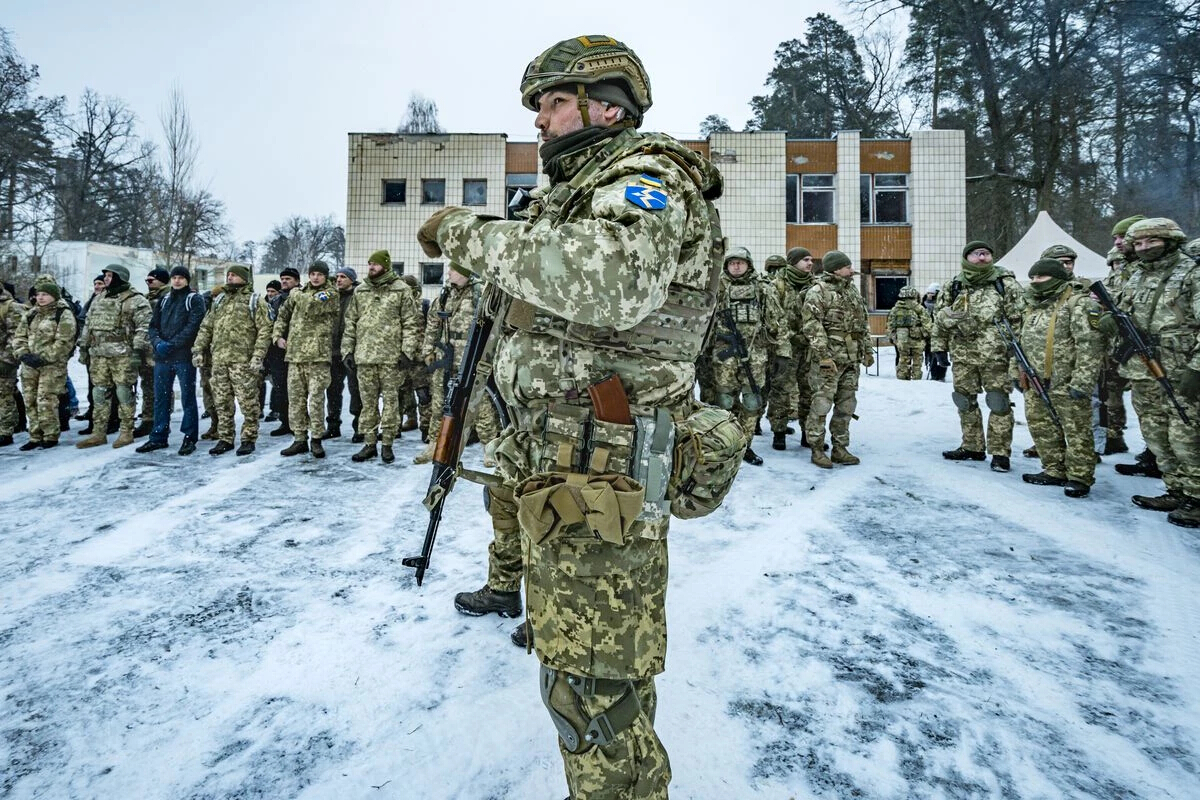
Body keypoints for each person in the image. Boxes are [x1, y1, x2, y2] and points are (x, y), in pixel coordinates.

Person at [416, 34, 724, 798]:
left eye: (553, 104)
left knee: (595, 688)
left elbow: (609, 282)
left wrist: (467, 232)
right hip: (564, 461)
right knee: (578, 666)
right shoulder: (577, 192)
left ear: (605, 105)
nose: (541, 123)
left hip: (604, 472)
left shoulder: (645, 177)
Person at [1106, 218, 1200, 527]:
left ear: (1170, 241)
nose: (1145, 248)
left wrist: (1196, 368)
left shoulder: (1191, 273)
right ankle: (1176, 489)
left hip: (1180, 367)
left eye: (1152, 242)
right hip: (1142, 366)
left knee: (1185, 433)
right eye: (1140, 243)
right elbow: (1120, 309)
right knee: (1155, 432)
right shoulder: (1135, 275)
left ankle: (1196, 496)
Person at [931, 241, 1025, 472]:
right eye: (977, 254)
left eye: (987, 253)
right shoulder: (954, 285)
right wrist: (938, 348)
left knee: (999, 403)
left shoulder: (1006, 284)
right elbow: (939, 320)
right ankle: (972, 446)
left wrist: (1017, 355)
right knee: (964, 402)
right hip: (963, 355)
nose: (982, 258)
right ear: (966, 258)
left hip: (997, 356)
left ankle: (1000, 453)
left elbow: (1020, 320)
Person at [1017, 259, 1104, 497]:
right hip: (1036, 380)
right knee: (1041, 425)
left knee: (1076, 430)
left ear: (1056, 278)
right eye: (1033, 278)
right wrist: (1019, 373)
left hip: (1067, 382)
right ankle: (1054, 469)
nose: (1035, 282)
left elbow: (1090, 346)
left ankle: (1079, 476)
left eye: (1041, 277)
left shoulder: (1077, 304)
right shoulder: (1034, 305)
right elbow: (1023, 343)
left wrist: (1082, 382)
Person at [707, 246, 788, 466]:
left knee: (753, 401)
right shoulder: (717, 287)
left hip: (755, 356)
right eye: (732, 262)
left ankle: (745, 445)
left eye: (740, 262)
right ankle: (725, 442)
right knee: (724, 400)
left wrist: (783, 353)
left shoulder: (763, 289)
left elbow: (777, 322)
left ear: (748, 265)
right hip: (724, 357)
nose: (736, 266)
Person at [413, 265, 500, 465]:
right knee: (439, 404)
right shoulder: (444, 295)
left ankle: (490, 448)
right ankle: (434, 444)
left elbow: (493, 325)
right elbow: (433, 324)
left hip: (471, 355)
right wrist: (428, 350)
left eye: (453, 269)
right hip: (445, 355)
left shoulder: (481, 293)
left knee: (480, 404)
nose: (449, 273)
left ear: (464, 272)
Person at [341, 250, 420, 464]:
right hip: (364, 356)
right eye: (369, 264)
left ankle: (387, 443)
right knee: (368, 403)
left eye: (375, 264)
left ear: (385, 266)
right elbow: (351, 323)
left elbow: (411, 323)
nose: (371, 268)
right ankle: (369, 443)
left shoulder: (401, 290)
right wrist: (347, 350)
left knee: (391, 402)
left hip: (391, 358)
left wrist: (407, 351)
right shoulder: (361, 291)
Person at [801, 250, 872, 467]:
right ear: (835, 268)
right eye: (847, 266)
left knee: (846, 405)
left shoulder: (852, 292)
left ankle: (840, 448)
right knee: (821, 405)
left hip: (850, 360)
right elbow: (812, 326)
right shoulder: (818, 292)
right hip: (828, 362)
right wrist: (823, 355)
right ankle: (817, 448)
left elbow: (862, 324)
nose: (851, 269)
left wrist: (867, 350)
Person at [192, 265, 272, 456]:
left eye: (234, 275)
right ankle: (225, 437)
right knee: (222, 402)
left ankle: (248, 438)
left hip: (243, 362)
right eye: (228, 275)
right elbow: (206, 327)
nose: (229, 277)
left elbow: (265, 330)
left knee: (247, 402)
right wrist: (198, 349)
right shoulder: (220, 300)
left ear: (244, 278)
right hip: (219, 361)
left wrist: (258, 356)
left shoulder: (254, 301)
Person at [76, 263, 152, 449]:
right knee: (99, 393)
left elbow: (144, 327)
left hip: (123, 355)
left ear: (120, 277)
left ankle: (126, 431)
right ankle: (98, 433)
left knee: (124, 392)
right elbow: (89, 324)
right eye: (106, 276)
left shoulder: (135, 299)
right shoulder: (99, 298)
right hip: (99, 354)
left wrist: (137, 352)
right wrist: (84, 346)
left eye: (110, 276)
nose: (106, 279)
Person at [271, 261, 339, 457]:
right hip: (295, 355)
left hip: (318, 356)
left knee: (316, 400)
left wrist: (294, 293)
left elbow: (310, 305)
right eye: (312, 274)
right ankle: (299, 437)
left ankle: (316, 438)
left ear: (325, 276)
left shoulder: (330, 293)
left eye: (319, 274)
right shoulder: (298, 293)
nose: (315, 277)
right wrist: (278, 336)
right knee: (296, 399)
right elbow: (282, 316)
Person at [137, 266, 206, 455]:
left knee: (187, 397)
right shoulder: (164, 300)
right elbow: (153, 326)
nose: (177, 281)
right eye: (174, 277)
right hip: (162, 357)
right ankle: (158, 436)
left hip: (182, 356)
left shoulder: (194, 299)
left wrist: (173, 344)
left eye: (181, 278)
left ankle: (189, 437)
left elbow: (194, 326)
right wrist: (158, 342)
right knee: (161, 397)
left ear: (187, 280)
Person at [12, 277, 75, 449]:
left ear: (54, 296)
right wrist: (23, 354)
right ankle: (34, 436)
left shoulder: (63, 314)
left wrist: (44, 358)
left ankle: (50, 435)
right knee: (30, 400)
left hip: (51, 366)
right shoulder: (31, 314)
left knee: (46, 400)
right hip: (29, 365)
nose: (40, 298)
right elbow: (19, 337)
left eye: (45, 294)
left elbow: (64, 342)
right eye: (38, 294)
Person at [768, 247, 817, 450]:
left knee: (809, 391)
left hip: (809, 348)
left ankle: (808, 433)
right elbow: (772, 318)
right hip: (784, 349)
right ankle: (779, 432)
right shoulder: (776, 285)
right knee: (781, 391)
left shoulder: (815, 285)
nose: (810, 263)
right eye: (805, 259)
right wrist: (790, 337)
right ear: (793, 262)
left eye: (811, 259)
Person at [134, 267, 172, 437]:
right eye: (147, 281)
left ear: (162, 280)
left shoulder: (168, 298)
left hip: (160, 348)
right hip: (147, 348)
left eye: (151, 280)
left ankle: (160, 420)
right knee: (148, 384)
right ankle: (149, 418)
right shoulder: (147, 298)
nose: (148, 284)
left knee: (161, 386)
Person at [327, 265, 362, 441]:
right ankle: (333, 425)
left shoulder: (359, 297)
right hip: (332, 351)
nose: (339, 280)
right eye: (337, 277)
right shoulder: (331, 297)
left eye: (343, 277)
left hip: (351, 352)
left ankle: (359, 427)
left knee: (356, 390)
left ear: (351, 280)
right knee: (332, 390)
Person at [265, 267, 299, 436]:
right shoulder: (275, 301)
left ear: (297, 281)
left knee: (297, 390)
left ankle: (298, 422)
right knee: (281, 388)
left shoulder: (301, 297)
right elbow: (269, 324)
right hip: (277, 351)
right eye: (283, 279)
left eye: (289, 279)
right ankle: (285, 422)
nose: (285, 281)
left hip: (298, 350)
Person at [398, 273, 431, 437]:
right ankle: (404, 422)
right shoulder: (396, 306)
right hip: (402, 356)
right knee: (401, 393)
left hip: (419, 359)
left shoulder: (424, 305)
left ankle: (426, 427)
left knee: (423, 394)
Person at [887, 284, 931, 380]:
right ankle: (916, 381)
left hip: (902, 340)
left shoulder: (895, 309)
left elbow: (890, 326)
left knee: (903, 360)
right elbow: (927, 325)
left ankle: (902, 382)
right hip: (917, 340)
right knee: (917, 362)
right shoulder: (919, 308)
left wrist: (894, 338)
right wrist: (925, 335)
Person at [0, 281, 25, 447]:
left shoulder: (10, 307)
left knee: (4, 396)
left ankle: (5, 432)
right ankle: (17, 424)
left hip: (3, 360)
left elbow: (15, 337)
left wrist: (7, 361)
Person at [922, 283, 946, 381]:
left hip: (940, 333)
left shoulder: (942, 304)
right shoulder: (923, 305)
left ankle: (941, 375)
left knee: (941, 355)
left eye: (931, 293)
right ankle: (934, 374)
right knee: (930, 354)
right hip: (929, 334)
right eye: (928, 293)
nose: (929, 295)